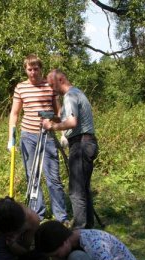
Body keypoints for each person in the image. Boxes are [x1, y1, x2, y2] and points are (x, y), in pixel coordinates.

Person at [8, 54, 68, 224]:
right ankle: (38, 215)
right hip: (28, 137)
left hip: (47, 137)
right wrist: (11, 137)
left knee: (53, 177)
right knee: (32, 177)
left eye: (36, 69)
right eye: (29, 69)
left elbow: (59, 112)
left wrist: (63, 133)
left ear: (40, 69)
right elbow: (14, 113)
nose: (33, 72)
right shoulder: (21, 88)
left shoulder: (49, 87)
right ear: (25, 70)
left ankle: (61, 217)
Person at [41, 69, 99, 229]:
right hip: (87, 143)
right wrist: (56, 119)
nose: (52, 89)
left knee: (76, 191)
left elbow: (72, 122)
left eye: (53, 85)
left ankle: (80, 229)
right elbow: (70, 119)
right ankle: (88, 228)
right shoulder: (77, 93)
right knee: (84, 188)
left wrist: (52, 126)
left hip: (81, 145)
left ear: (60, 80)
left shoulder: (70, 96)